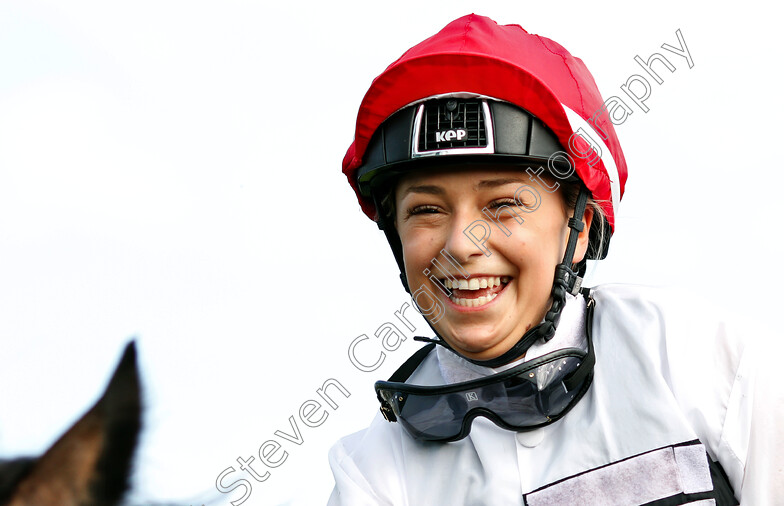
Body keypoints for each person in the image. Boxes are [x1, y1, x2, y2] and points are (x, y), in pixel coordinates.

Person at [328, 14, 779, 505]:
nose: (460, 244)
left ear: (580, 231)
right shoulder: (374, 472)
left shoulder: (701, 361)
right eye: (427, 210)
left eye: (503, 204)